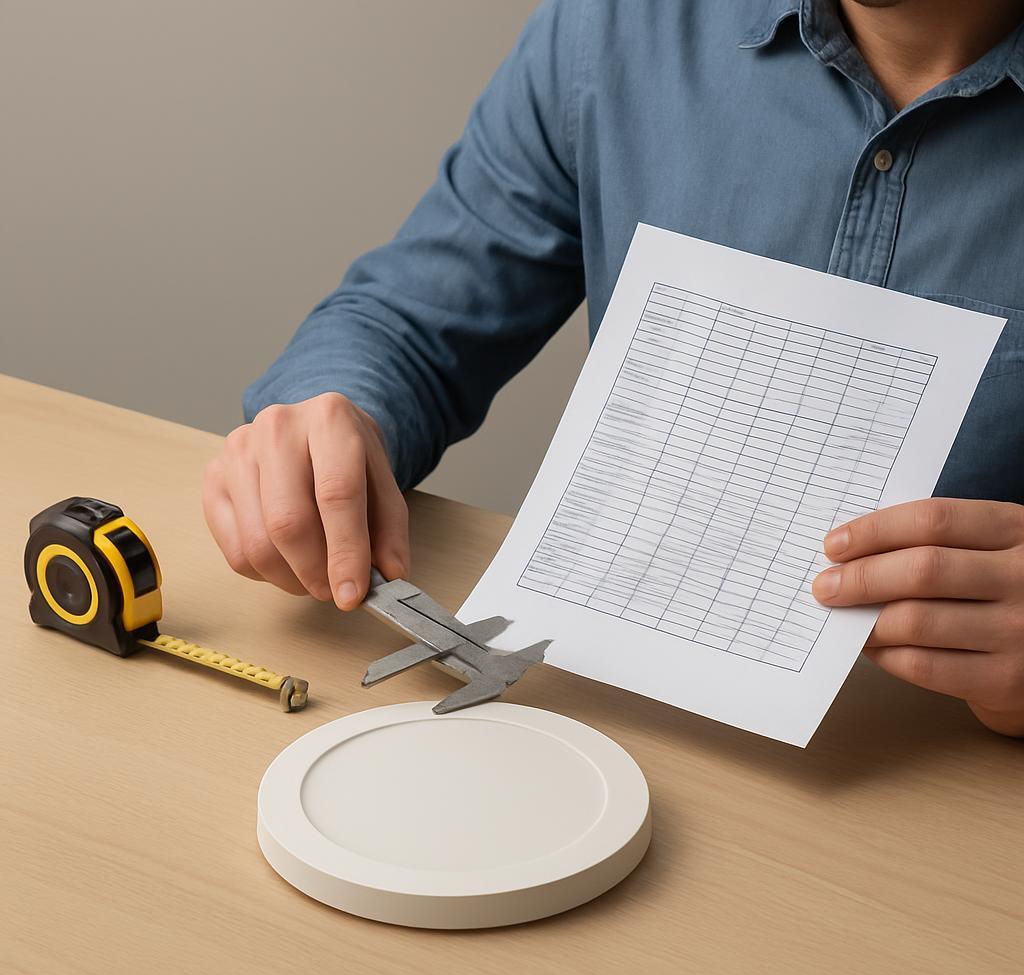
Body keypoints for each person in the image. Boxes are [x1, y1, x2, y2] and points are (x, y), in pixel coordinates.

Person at [201, 0, 1024, 736]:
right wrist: (326, 418)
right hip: (600, 733)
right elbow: (411, 320)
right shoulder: (616, 25)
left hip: (940, 787)